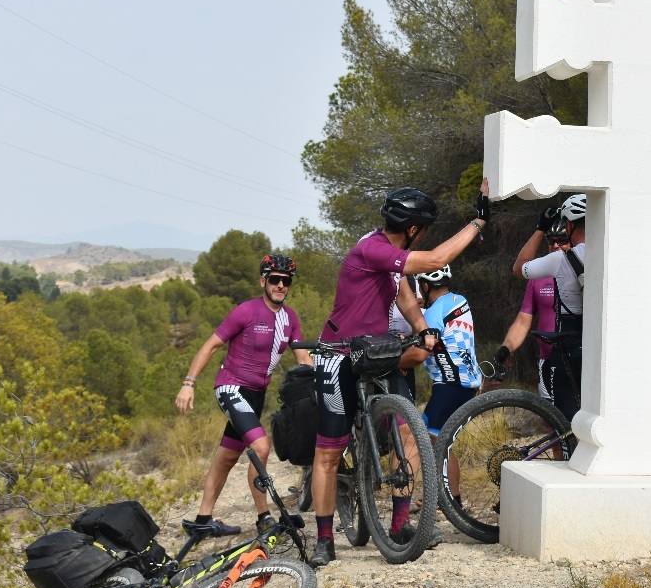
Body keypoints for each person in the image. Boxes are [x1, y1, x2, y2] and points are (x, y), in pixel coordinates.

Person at [309, 181, 491, 567]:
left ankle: (397, 526)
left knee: (406, 431)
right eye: (422, 230)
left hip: (377, 349)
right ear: (413, 230)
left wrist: (422, 326)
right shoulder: (372, 247)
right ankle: (324, 539)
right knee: (328, 450)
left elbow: (404, 292)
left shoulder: (392, 257)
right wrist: (478, 222)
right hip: (339, 354)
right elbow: (435, 259)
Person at [175, 254, 308, 536]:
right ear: (263, 281)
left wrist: (320, 379)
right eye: (275, 279)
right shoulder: (246, 312)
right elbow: (210, 346)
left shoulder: (290, 318)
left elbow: (303, 358)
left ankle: (202, 520)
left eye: (286, 281)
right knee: (260, 447)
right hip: (231, 387)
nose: (281, 285)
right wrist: (189, 383)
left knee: (226, 457)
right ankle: (263, 518)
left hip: (257, 395)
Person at [512, 194, 586, 421]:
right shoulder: (614, 255)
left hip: (570, 345)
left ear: (570, 224)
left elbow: (519, 267)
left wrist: (541, 228)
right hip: (599, 346)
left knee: (565, 420)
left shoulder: (560, 260)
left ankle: (568, 454)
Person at [416, 265, 480, 506]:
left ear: (425, 285)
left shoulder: (434, 312)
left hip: (450, 384)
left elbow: (424, 344)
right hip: (467, 383)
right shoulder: (458, 300)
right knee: (442, 440)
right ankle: (452, 498)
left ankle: (442, 498)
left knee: (432, 438)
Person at [494, 222, 566, 402]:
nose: (556, 245)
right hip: (547, 359)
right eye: (552, 241)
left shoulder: (586, 271)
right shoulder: (539, 275)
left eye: (562, 240)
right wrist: (506, 348)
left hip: (575, 358)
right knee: (551, 418)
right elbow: (523, 321)